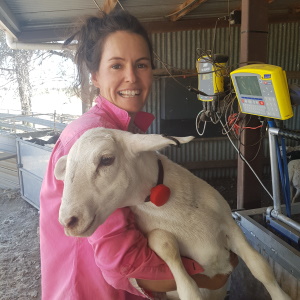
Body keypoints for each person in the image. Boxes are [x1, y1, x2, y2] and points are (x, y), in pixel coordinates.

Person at [39, 9, 238, 300]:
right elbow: (121, 260)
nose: (132, 77)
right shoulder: (92, 141)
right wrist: (209, 273)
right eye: (117, 66)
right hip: (90, 290)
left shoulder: (122, 131)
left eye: (141, 64)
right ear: (94, 75)